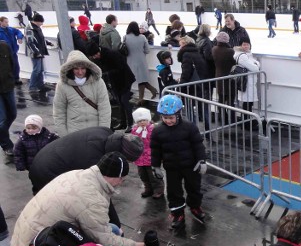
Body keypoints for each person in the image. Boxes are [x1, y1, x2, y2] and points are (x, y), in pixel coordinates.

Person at [11, 151, 148, 246]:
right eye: (121, 179)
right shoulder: (92, 198)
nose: (120, 183)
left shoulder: (77, 174)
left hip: (21, 244)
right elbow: (105, 240)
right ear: (114, 176)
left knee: (111, 229)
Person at [28, 126, 142, 196]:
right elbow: (95, 193)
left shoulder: (106, 132)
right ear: (121, 154)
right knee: (61, 206)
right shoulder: (94, 160)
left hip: (45, 156)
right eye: (128, 160)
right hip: (46, 171)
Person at [150, 94, 208, 232]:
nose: (168, 121)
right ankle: (178, 214)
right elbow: (155, 150)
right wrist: (155, 165)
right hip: (172, 168)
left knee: (194, 188)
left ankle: (195, 206)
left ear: (178, 114)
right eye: (165, 118)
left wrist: (202, 160)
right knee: (174, 192)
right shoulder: (158, 131)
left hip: (191, 166)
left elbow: (198, 144)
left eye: (171, 118)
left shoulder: (189, 127)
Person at [53, 50, 111, 135]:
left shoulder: (98, 82)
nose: (80, 72)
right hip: (74, 132)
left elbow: (104, 108)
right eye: (76, 68)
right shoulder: (62, 85)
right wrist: (64, 135)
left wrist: (103, 131)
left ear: (88, 68)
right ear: (70, 69)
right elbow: (59, 112)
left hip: (95, 130)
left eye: (83, 68)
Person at [86, 42, 136, 131]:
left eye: (95, 55)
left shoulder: (112, 54)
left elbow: (121, 67)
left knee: (124, 101)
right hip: (114, 82)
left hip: (125, 79)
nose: (94, 58)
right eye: (93, 56)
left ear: (98, 52)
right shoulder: (98, 58)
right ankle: (123, 123)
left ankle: (130, 123)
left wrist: (106, 73)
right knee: (119, 102)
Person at [131, 107, 164, 199]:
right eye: (139, 121)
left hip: (151, 157)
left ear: (148, 119)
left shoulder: (153, 129)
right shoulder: (135, 130)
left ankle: (159, 190)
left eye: (144, 120)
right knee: (143, 175)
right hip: (140, 157)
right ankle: (148, 188)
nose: (142, 122)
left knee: (153, 175)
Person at [124, 21, 157, 105]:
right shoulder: (142, 37)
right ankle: (151, 91)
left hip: (129, 61)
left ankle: (140, 98)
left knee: (137, 80)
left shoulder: (125, 37)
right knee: (141, 80)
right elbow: (147, 50)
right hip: (141, 61)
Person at [233, 37, 261, 125]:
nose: (246, 46)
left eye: (247, 44)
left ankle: (247, 121)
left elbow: (256, 64)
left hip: (249, 82)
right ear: (240, 45)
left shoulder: (248, 54)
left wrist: (255, 64)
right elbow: (256, 68)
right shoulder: (242, 56)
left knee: (249, 103)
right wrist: (255, 64)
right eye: (244, 44)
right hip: (246, 83)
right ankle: (246, 122)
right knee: (247, 103)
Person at [212, 32, 236, 125]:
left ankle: (223, 119)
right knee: (230, 101)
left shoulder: (214, 49)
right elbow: (234, 62)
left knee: (221, 100)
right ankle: (232, 119)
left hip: (219, 76)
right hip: (229, 78)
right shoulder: (230, 51)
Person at [25, 13, 52, 93]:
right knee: (37, 70)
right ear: (37, 21)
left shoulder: (37, 28)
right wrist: (37, 52)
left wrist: (48, 43)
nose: (42, 24)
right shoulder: (29, 29)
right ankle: (32, 86)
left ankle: (40, 85)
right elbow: (30, 42)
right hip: (35, 53)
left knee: (41, 70)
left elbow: (41, 38)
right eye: (41, 22)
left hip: (40, 51)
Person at [0, 41, 17, 158]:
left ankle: (2, 135)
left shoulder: (5, 46)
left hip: (7, 86)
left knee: (12, 114)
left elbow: (12, 63)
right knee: (1, 120)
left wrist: (13, 78)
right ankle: (7, 145)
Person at [0, 15, 24, 84]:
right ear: (1, 22)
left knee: (16, 65)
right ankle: (8, 81)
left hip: (13, 51)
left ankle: (16, 78)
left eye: (7, 22)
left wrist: (19, 37)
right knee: (7, 67)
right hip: (4, 54)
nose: (7, 23)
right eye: (5, 22)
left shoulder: (10, 29)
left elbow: (18, 32)